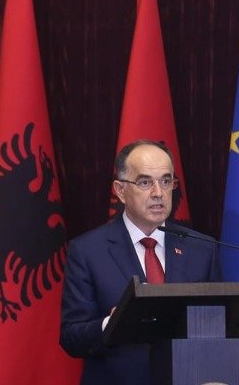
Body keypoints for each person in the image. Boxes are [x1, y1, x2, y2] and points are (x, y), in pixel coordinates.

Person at [60, 140, 221, 385]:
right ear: (120, 190)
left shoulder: (202, 248)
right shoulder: (87, 251)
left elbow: (218, 326)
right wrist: (111, 324)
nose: (158, 193)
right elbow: (72, 337)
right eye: (145, 182)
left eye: (166, 181)